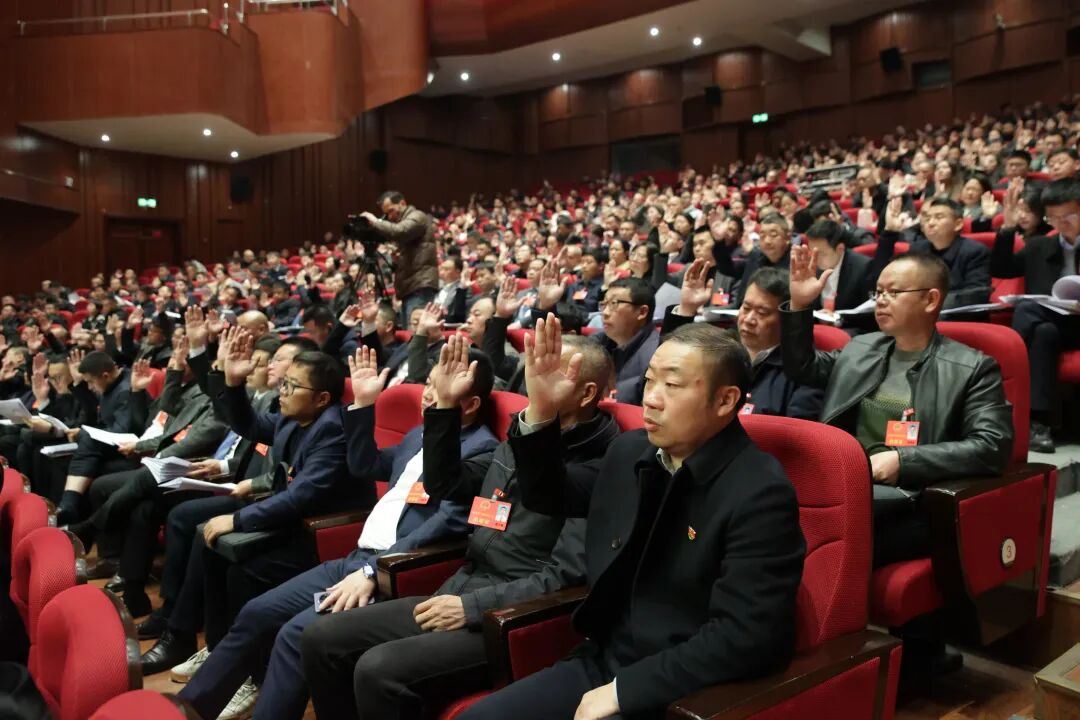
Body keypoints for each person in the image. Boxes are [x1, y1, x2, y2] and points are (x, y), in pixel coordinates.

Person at [458, 315, 805, 720]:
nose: (651, 399)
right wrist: (542, 410)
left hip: (686, 689)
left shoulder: (759, 491)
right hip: (604, 659)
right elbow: (550, 496)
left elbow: (745, 635)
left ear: (725, 400)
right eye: (650, 380)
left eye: (672, 385)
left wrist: (625, 691)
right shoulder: (631, 451)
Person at [298, 334, 619, 720]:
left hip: (509, 615)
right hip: (462, 583)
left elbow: (565, 578)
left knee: (377, 669)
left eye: (550, 371)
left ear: (586, 393)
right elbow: (445, 484)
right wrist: (446, 407)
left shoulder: (601, 467)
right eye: (534, 368)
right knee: (321, 638)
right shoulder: (522, 435)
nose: (534, 379)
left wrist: (470, 607)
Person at [176, 343, 500, 720]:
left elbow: (450, 523)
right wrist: (363, 406)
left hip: (394, 570)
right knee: (257, 612)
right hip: (355, 559)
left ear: (470, 403)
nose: (428, 393)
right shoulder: (417, 435)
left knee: (295, 635)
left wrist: (374, 571)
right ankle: (188, 710)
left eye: (441, 386)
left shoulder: (482, 452)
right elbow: (365, 465)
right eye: (428, 383)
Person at [140, 337, 367, 675]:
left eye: (292, 386)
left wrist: (237, 519)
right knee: (210, 543)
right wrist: (233, 384)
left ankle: (248, 669)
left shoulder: (333, 430)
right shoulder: (293, 416)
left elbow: (302, 497)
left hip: (323, 532)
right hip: (293, 518)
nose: (282, 392)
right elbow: (251, 426)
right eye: (284, 383)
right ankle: (214, 650)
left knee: (240, 567)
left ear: (321, 398)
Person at [783, 244, 1012, 568]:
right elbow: (802, 367)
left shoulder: (972, 368)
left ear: (930, 299)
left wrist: (903, 461)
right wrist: (800, 305)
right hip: (849, 484)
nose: (881, 300)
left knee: (804, 536)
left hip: (912, 499)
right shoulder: (861, 348)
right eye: (878, 292)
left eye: (893, 292)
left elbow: (992, 446)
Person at [664, 261, 823, 420]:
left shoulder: (806, 372)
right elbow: (667, 368)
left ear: (786, 318)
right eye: (746, 308)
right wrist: (687, 308)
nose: (748, 319)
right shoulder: (719, 346)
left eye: (762, 312)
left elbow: (797, 430)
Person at [991, 177, 1080, 453]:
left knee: (1028, 310)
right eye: (1053, 218)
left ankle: (1004, 372)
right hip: (1053, 325)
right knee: (1043, 332)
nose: (1060, 224)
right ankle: (1038, 423)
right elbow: (1002, 269)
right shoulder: (1040, 245)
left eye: (1068, 216)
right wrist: (1007, 228)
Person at [55, 350, 135, 524]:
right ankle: (68, 509)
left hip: (129, 448)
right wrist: (78, 382)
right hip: (106, 445)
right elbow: (94, 409)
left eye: (90, 382)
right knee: (64, 458)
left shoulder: (125, 389)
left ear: (105, 375)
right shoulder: (111, 382)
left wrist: (84, 433)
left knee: (87, 440)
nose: (90, 387)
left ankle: (69, 506)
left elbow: (122, 432)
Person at [876, 197, 991, 310]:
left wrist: (926, 304)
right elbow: (891, 279)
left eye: (938, 217)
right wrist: (890, 230)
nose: (930, 223)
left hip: (955, 316)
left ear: (958, 224)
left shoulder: (975, 252)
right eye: (927, 218)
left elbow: (976, 294)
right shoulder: (917, 249)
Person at [358, 191, 438, 323]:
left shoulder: (417, 216)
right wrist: (397, 260)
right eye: (386, 213)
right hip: (410, 285)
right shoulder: (406, 221)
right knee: (408, 330)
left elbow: (399, 231)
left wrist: (375, 221)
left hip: (420, 284)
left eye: (391, 211)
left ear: (402, 203)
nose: (389, 216)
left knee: (416, 329)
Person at [713, 213, 792, 307]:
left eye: (773, 235)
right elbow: (727, 268)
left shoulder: (797, 263)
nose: (767, 241)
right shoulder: (755, 257)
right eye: (762, 236)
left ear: (787, 238)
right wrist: (720, 241)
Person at [803, 219, 874, 312]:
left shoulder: (863, 268)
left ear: (840, 249)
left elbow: (868, 313)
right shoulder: (811, 268)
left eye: (821, 254)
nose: (814, 259)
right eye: (812, 252)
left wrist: (836, 317)